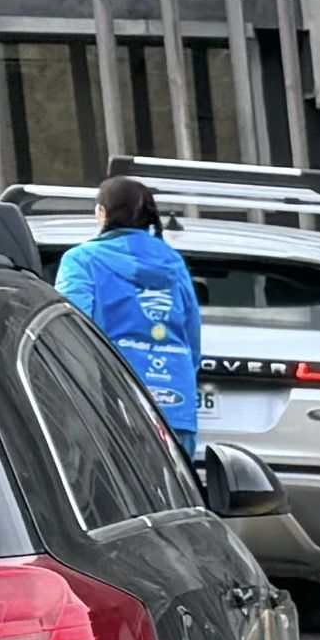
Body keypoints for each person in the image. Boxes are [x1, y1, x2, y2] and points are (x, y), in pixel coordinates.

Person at [61, 174, 206, 456]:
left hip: (110, 405)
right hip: (174, 404)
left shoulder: (81, 261)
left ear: (102, 213)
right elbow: (192, 340)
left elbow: (69, 334)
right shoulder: (173, 263)